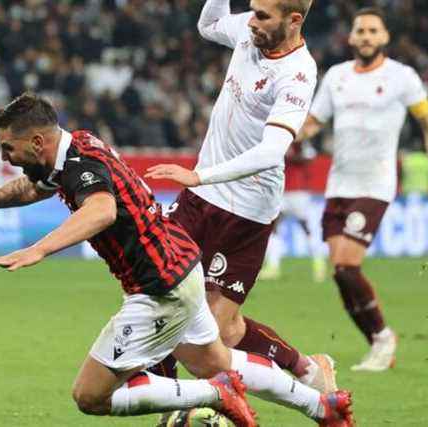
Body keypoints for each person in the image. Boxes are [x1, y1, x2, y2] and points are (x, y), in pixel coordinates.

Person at [0, 93, 353, 427]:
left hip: (158, 289)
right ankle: (324, 406)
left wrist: (40, 248)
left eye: (8, 148)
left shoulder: (80, 166)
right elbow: (34, 187)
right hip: (182, 266)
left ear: (37, 141)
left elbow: (101, 210)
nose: (4, 158)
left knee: (91, 396)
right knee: (218, 359)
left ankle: (215, 396)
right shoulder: (77, 146)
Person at [145, 0, 337, 392]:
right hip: (200, 201)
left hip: (247, 210)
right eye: (251, 10)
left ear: (294, 20)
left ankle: (305, 368)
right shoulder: (251, 34)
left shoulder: (298, 73)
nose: (250, 21)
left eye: (262, 15)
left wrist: (199, 175)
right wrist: (201, 182)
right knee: (157, 294)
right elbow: (209, 24)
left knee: (220, 333)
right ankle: (173, 406)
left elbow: (270, 152)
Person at [294, 7, 428, 371]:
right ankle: (378, 342)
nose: (365, 36)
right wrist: (283, 136)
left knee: (348, 265)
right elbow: (314, 122)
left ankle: (382, 338)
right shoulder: (336, 76)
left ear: (384, 38)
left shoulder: (402, 77)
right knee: (339, 272)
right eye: (359, 30)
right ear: (350, 37)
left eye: (372, 31)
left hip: (374, 184)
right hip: (338, 184)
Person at [258, 140, 326, 282]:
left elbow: (310, 159)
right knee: (274, 228)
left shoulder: (301, 144)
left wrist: (291, 155)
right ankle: (273, 267)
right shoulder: (280, 139)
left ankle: (319, 264)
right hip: (281, 192)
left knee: (306, 228)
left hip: (298, 193)